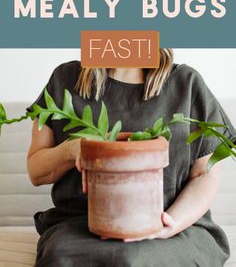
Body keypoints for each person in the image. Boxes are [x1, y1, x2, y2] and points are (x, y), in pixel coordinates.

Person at [27, 50, 236, 267]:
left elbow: (204, 174)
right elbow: (36, 171)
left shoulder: (187, 83)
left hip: (174, 224)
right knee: (63, 259)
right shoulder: (64, 78)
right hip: (81, 225)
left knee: (136, 261)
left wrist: (169, 224)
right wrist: (73, 149)